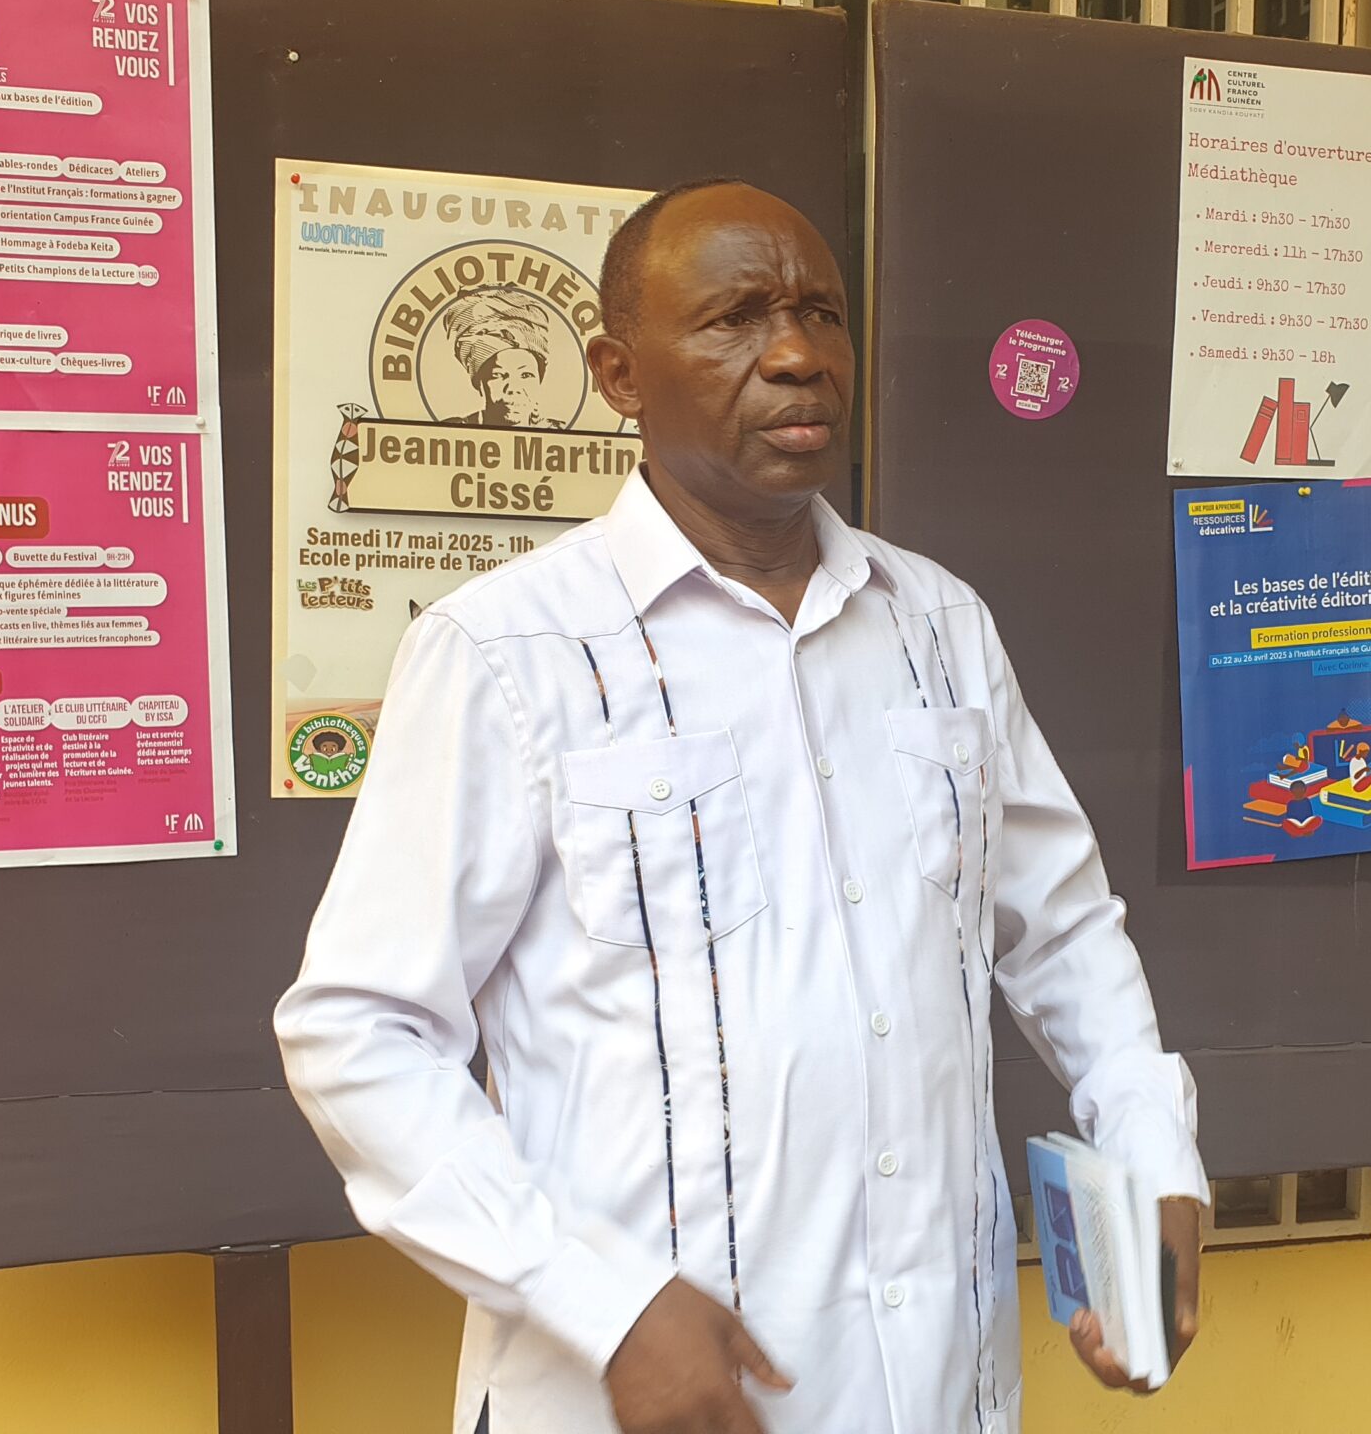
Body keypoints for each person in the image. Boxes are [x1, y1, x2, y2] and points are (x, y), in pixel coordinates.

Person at [277, 179, 1210, 1434]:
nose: (795, 356)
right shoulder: (509, 652)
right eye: (735, 319)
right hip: (639, 1399)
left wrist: (1151, 1148)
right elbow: (359, 1033)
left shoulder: (939, 624)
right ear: (617, 374)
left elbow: (1060, 931)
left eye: (821, 315)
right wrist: (596, 1299)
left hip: (936, 1386)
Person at [440, 286, 568, 428]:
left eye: (526, 375)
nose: (513, 388)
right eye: (498, 375)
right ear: (479, 382)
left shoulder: (562, 432)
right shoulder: (453, 430)